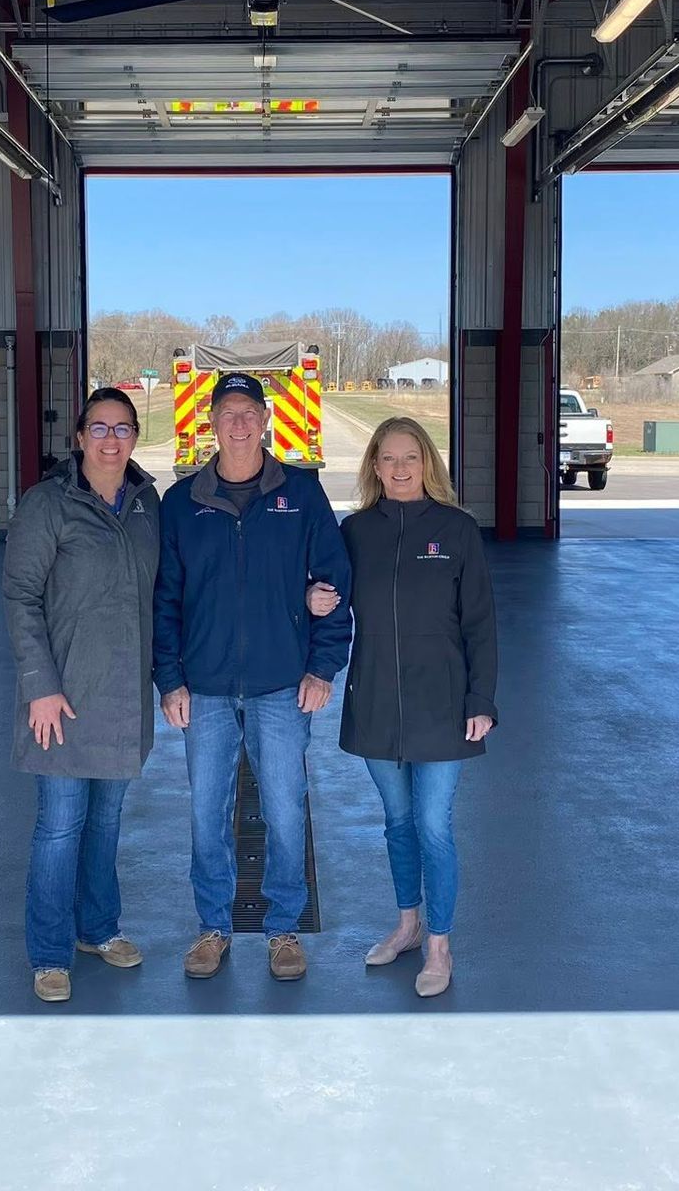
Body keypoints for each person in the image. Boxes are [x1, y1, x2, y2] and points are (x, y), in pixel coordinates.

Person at [155, 370, 352, 982]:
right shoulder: (181, 503)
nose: (238, 424)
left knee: (286, 810)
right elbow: (165, 598)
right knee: (205, 812)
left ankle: (284, 930)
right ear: (210, 424)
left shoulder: (301, 494)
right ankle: (213, 927)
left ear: (265, 421)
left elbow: (335, 582)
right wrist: (170, 679)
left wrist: (323, 667)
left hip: (280, 685)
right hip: (206, 687)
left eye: (249, 413)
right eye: (227, 414)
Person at [318, 416, 498, 998]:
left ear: (427, 465)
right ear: (374, 465)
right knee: (397, 825)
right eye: (388, 459)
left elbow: (481, 625)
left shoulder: (457, 529)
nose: (400, 469)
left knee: (432, 826)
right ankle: (407, 924)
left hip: (443, 704)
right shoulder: (356, 532)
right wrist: (312, 598)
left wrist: (481, 699)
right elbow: (331, 598)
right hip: (375, 700)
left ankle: (440, 945)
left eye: (411, 458)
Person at [1, 388, 162, 1004]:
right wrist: (40, 688)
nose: (111, 440)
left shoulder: (147, 504)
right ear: (79, 437)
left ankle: (98, 929)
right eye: (100, 427)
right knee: (60, 828)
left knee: (107, 823)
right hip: (61, 700)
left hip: (123, 698)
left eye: (123, 428)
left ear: (135, 437)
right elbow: (20, 599)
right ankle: (49, 953)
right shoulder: (49, 506)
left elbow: (164, 595)